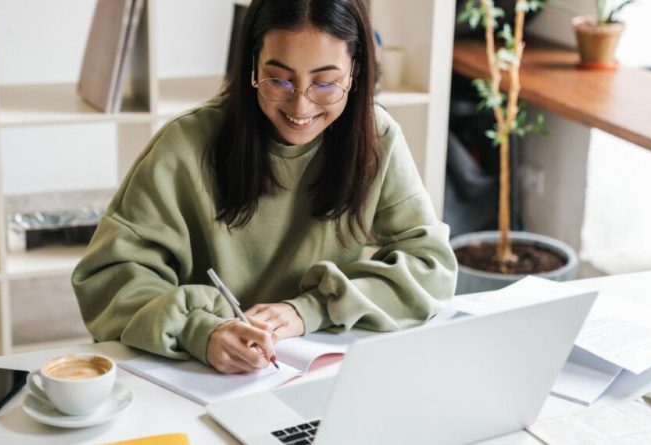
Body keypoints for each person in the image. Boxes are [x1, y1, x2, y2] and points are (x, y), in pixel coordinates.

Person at [72, 0, 457, 375]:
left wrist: (309, 310)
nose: (301, 107)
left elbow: (432, 265)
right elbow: (108, 279)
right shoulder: (185, 144)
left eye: (325, 83)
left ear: (355, 72)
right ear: (252, 64)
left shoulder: (376, 138)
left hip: (313, 369)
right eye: (280, 79)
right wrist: (199, 331)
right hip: (196, 374)